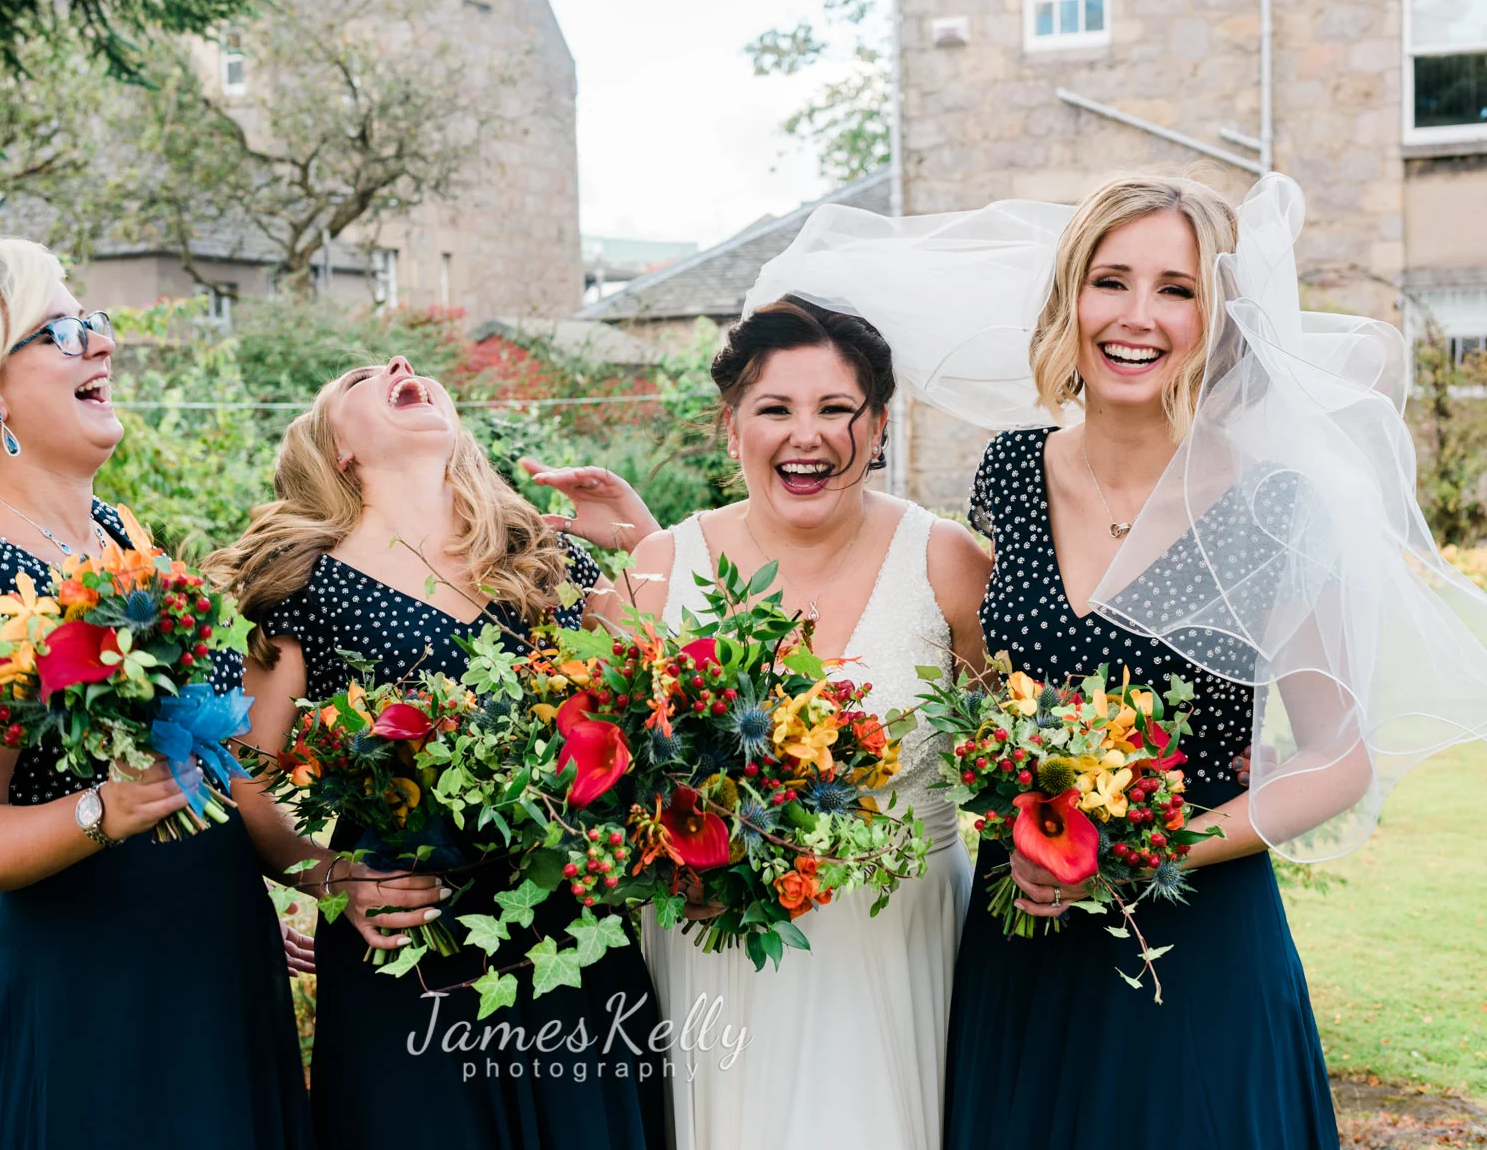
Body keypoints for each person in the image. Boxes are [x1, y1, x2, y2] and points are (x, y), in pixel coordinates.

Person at [0, 238, 316, 1150]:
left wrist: (320, 875)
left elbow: (217, 764)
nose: (102, 344)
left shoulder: (117, 536)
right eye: (62, 331)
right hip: (100, 1003)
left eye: (94, 322)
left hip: (215, 962)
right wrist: (100, 808)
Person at [533, 298, 993, 1150]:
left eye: (835, 409)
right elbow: (609, 775)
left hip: (899, 945)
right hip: (715, 949)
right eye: (775, 408)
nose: (805, 435)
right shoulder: (663, 567)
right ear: (732, 425)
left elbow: (1009, 754)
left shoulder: (947, 562)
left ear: (880, 422)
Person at [943, 175, 1341, 1149]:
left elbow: (1339, 755)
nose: (1136, 316)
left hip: (1195, 941)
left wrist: (1134, 857)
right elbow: (994, 679)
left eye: (1177, 288)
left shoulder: (1270, 504)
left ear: (1220, 318)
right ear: (1068, 299)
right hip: (1025, 931)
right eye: (1110, 279)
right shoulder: (1008, 473)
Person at [206, 357, 666, 1150]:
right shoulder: (303, 588)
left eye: (406, 365)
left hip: (572, 936)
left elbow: (641, 707)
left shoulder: (545, 560)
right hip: (411, 954)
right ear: (338, 451)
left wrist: (642, 541)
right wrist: (329, 874)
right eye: (357, 378)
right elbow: (247, 775)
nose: (400, 365)